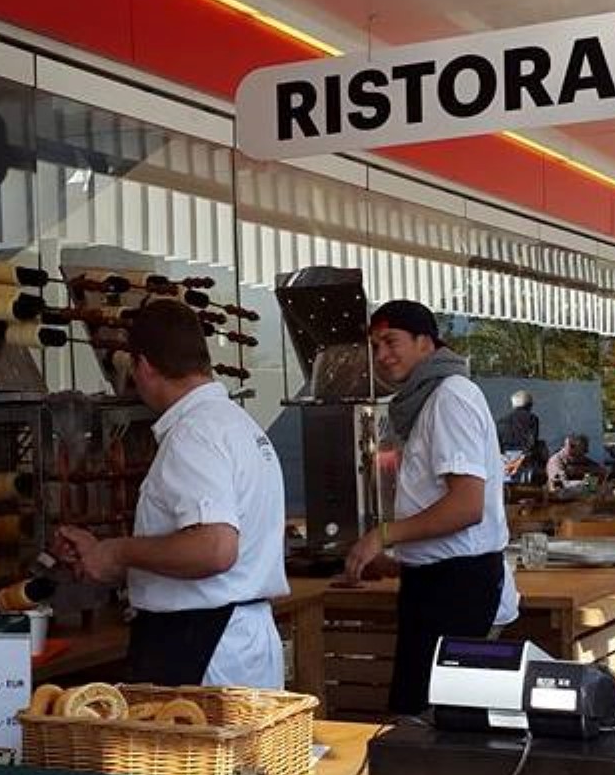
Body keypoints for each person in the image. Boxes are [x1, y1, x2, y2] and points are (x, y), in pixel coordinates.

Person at [57, 300, 288, 688]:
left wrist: (120, 551)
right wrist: (107, 557)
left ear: (144, 366)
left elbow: (214, 549)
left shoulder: (194, 434)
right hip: (234, 637)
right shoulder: (236, 424)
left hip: (201, 643)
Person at [343, 300, 518, 714]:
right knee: (422, 719)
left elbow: (466, 506)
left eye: (391, 341)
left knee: (431, 722)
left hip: (459, 588)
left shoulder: (450, 397)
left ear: (425, 342)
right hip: (437, 583)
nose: (382, 355)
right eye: (375, 346)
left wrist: (384, 535)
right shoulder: (428, 398)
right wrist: (401, 557)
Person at [496, 390, 547, 485]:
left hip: (505, 459)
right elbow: (531, 442)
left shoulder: (501, 421)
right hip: (524, 460)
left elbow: (497, 444)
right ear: (530, 405)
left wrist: (505, 461)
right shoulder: (532, 418)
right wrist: (520, 460)